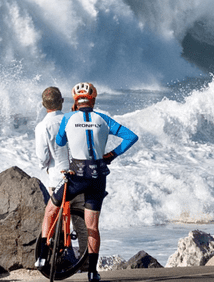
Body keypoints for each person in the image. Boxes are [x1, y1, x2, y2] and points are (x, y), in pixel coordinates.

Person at [37, 82, 139, 282]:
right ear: (93, 99)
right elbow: (131, 137)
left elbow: (59, 142)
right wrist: (110, 155)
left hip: (77, 178)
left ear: (75, 101)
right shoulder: (103, 119)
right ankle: (93, 272)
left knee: (50, 210)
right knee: (92, 225)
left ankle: (41, 257)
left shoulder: (68, 118)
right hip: (98, 178)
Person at [35, 86, 88, 256]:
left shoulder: (42, 126)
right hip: (79, 176)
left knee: (56, 221)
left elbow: (42, 158)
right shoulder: (74, 120)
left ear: (44, 105)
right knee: (81, 223)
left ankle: (61, 258)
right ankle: (86, 261)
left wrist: (49, 165)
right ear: (62, 101)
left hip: (57, 179)